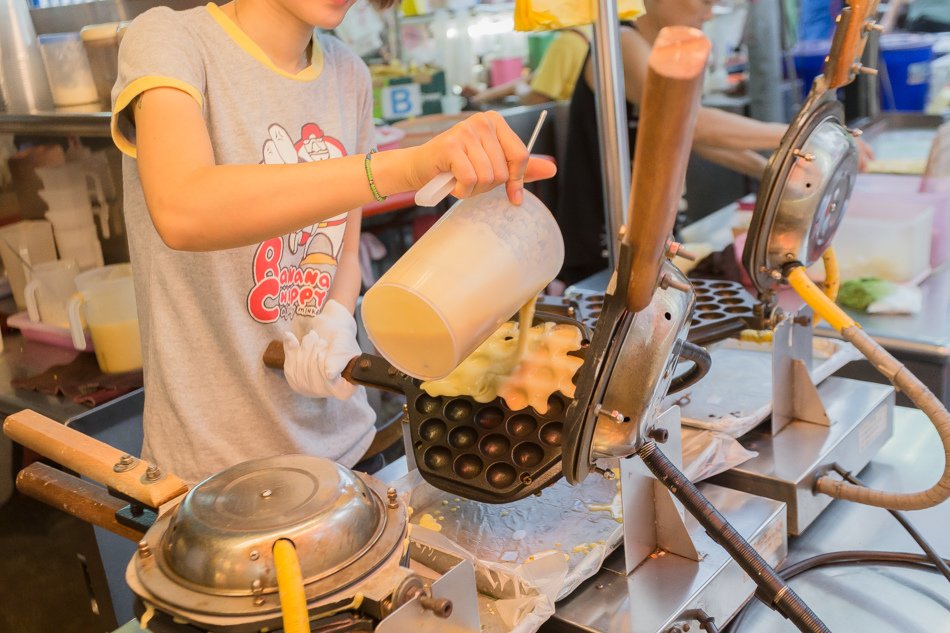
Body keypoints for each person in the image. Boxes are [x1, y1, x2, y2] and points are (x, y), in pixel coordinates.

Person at [111, 0, 556, 483]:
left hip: (349, 448)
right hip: (215, 467)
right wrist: (403, 168)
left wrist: (336, 321)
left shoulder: (348, 72)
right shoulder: (169, 40)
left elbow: (343, 242)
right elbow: (183, 209)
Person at [555, 0, 871, 285]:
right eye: (705, 1)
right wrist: (799, 135)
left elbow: (686, 138)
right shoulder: (620, 43)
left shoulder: (657, 51)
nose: (708, 13)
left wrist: (770, 172)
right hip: (605, 238)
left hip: (647, 234)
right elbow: (689, 124)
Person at [468, 27, 591, 106]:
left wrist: (518, 89)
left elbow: (536, 98)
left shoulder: (565, 42)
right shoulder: (585, 31)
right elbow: (534, 78)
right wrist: (485, 95)